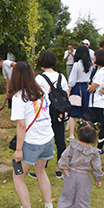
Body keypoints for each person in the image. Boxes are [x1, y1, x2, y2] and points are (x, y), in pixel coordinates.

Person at [10, 61, 55, 208]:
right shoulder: (42, 91)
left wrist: (18, 149)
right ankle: (49, 207)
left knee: (18, 176)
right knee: (40, 171)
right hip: (48, 138)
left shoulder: (18, 97)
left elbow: (21, 126)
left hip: (32, 142)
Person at [53, 121, 102, 208]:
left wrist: (64, 168)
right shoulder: (94, 152)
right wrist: (98, 178)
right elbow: (97, 166)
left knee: (66, 195)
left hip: (71, 175)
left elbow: (64, 156)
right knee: (83, 198)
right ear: (94, 137)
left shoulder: (73, 146)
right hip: (84, 177)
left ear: (79, 133)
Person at [35, 50, 69, 178]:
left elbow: (36, 97)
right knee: (60, 140)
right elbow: (66, 94)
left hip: (45, 114)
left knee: (44, 139)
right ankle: (60, 168)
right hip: (59, 113)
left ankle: (42, 167)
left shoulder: (39, 78)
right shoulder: (61, 77)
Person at [87, 49, 104, 154]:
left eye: (95, 56)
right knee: (95, 124)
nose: (93, 58)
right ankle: (95, 145)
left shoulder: (101, 72)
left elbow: (93, 88)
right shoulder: (100, 70)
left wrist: (90, 88)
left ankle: (100, 147)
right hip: (96, 101)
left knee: (100, 125)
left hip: (98, 102)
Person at [68, 44, 92, 137]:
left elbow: (72, 79)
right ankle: (84, 133)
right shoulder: (90, 65)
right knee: (85, 112)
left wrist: (69, 90)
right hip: (86, 87)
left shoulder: (76, 65)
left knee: (72, 113)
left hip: (77, 88)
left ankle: (71, 134)